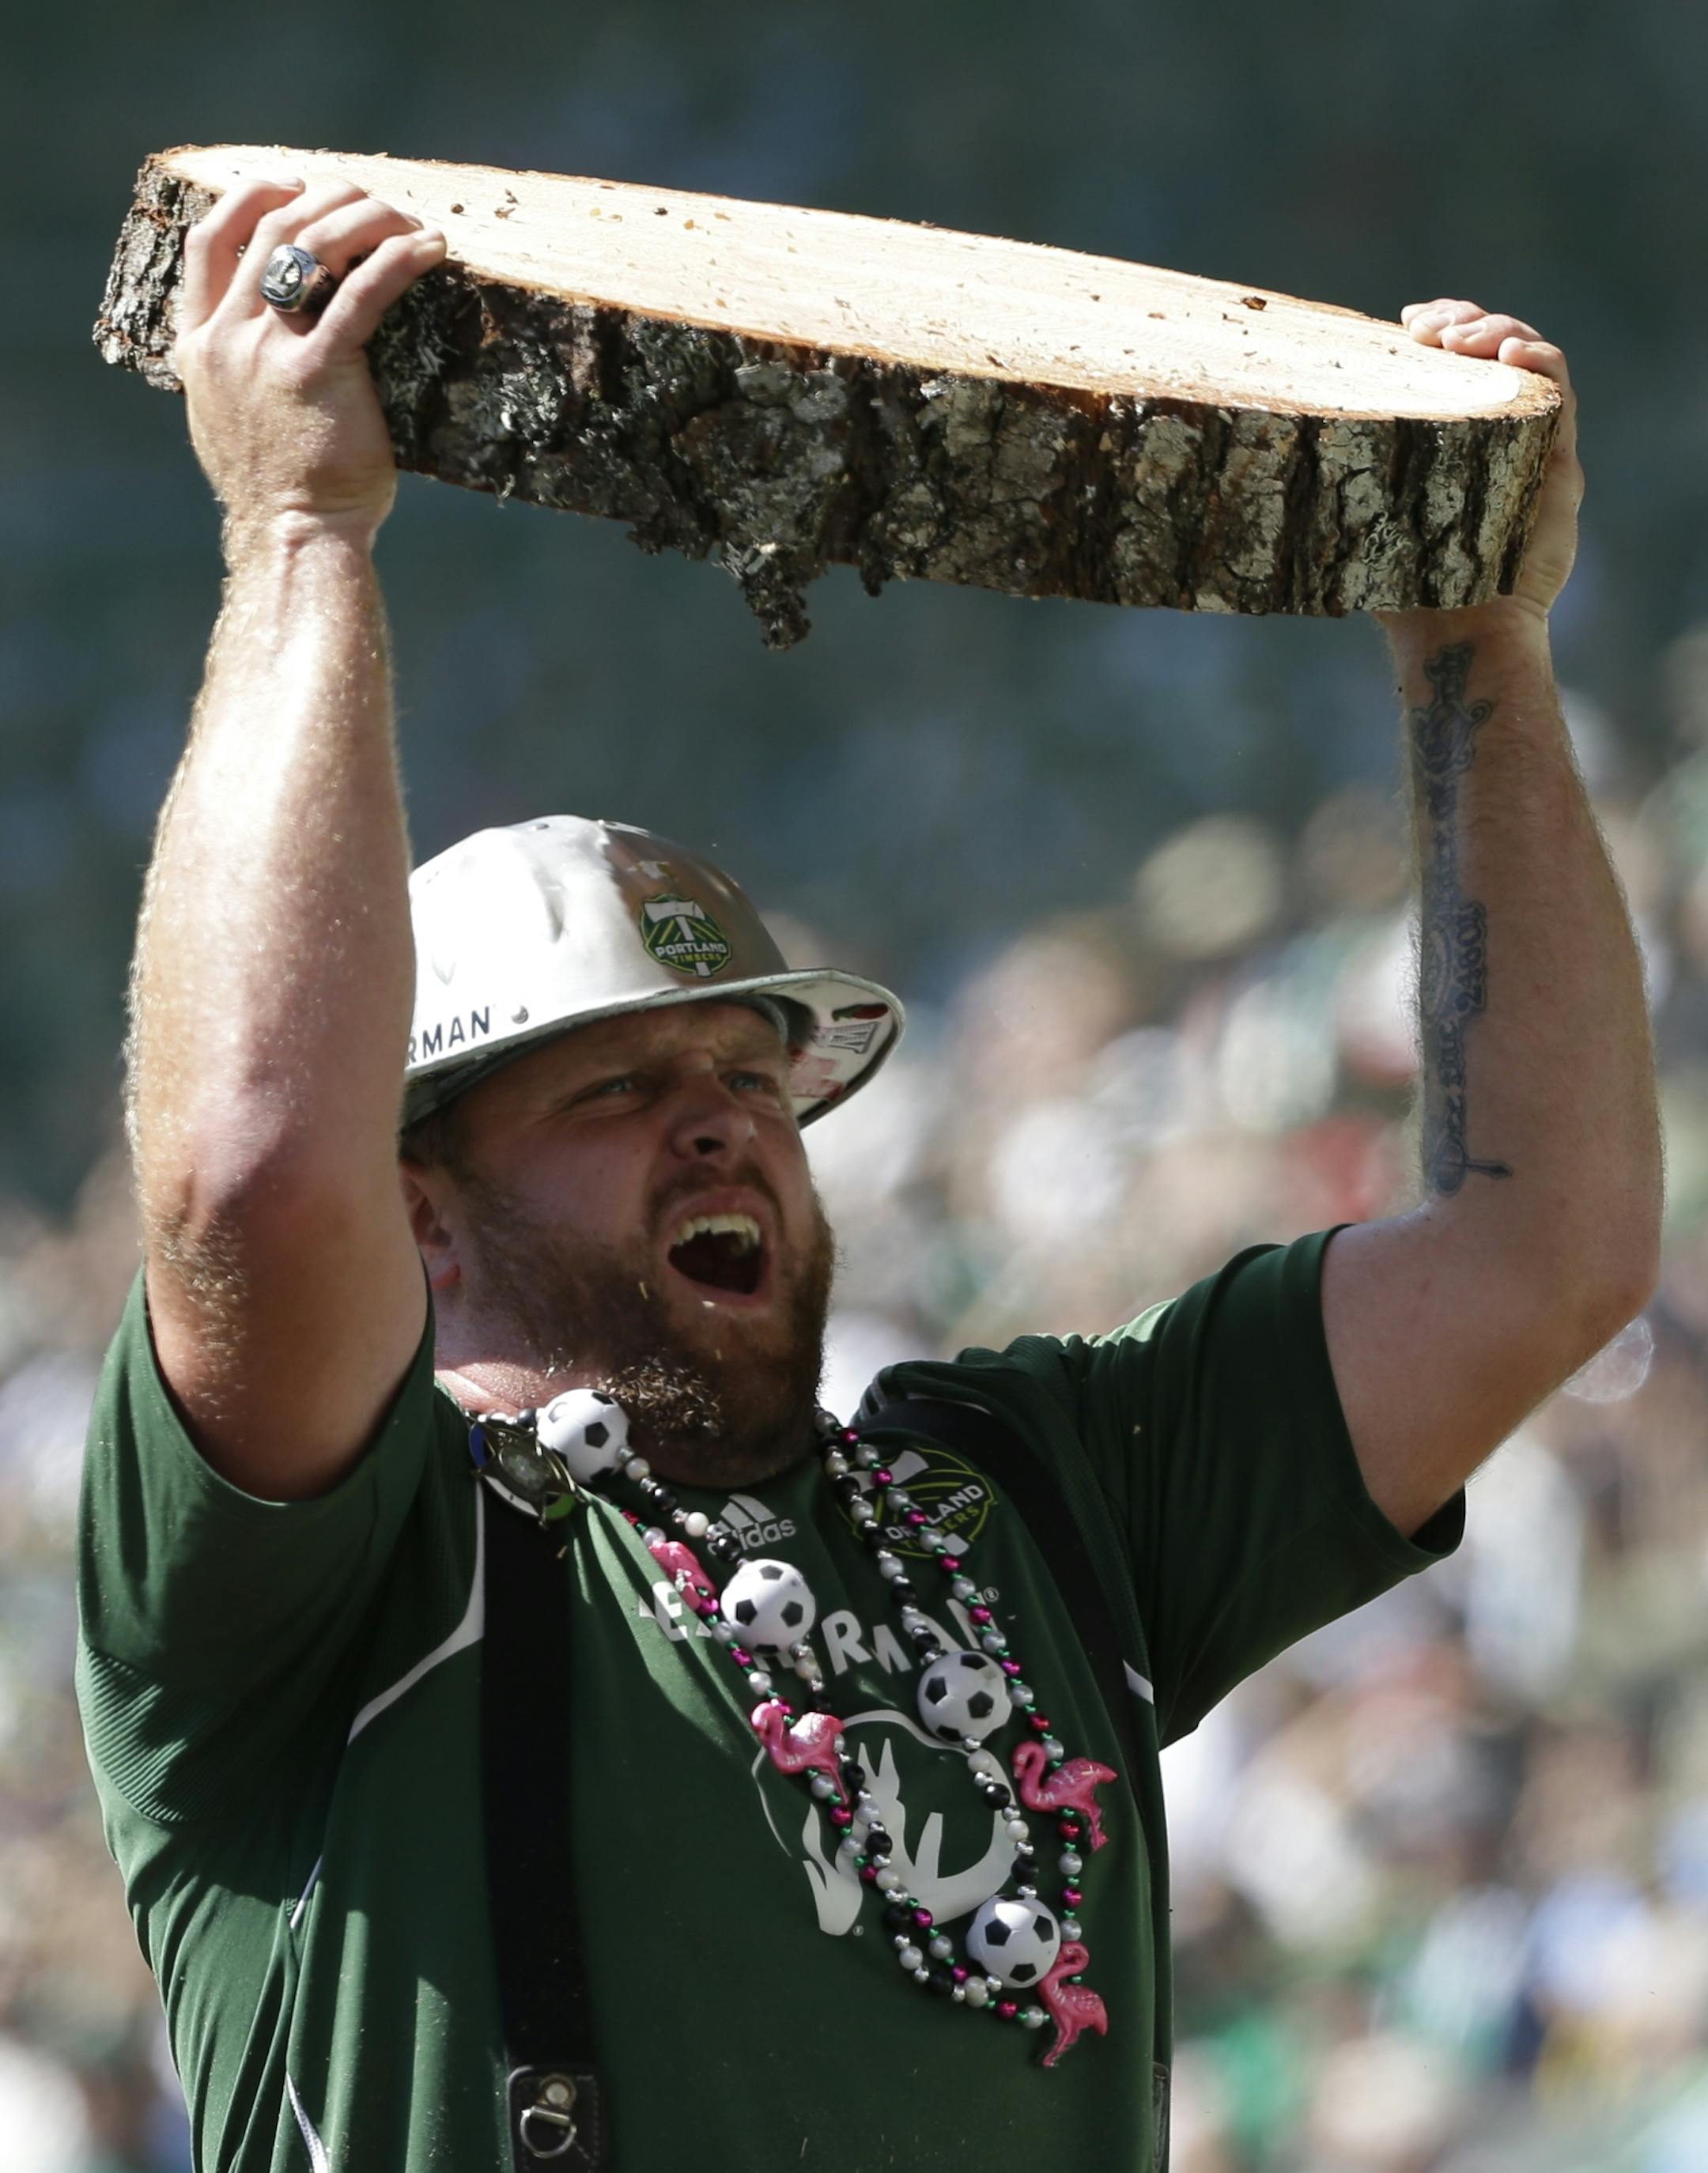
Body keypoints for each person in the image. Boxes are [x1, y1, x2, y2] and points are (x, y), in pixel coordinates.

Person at [75, 175, 1660, 2173]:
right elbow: (242, 1182)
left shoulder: (1033, 1498)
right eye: (611, 1090)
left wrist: (1477, 643)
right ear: (417, 1207)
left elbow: (1546, 1249)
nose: (723, 1113)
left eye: (745, 1066)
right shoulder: (331, 1585)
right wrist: (301, 531)